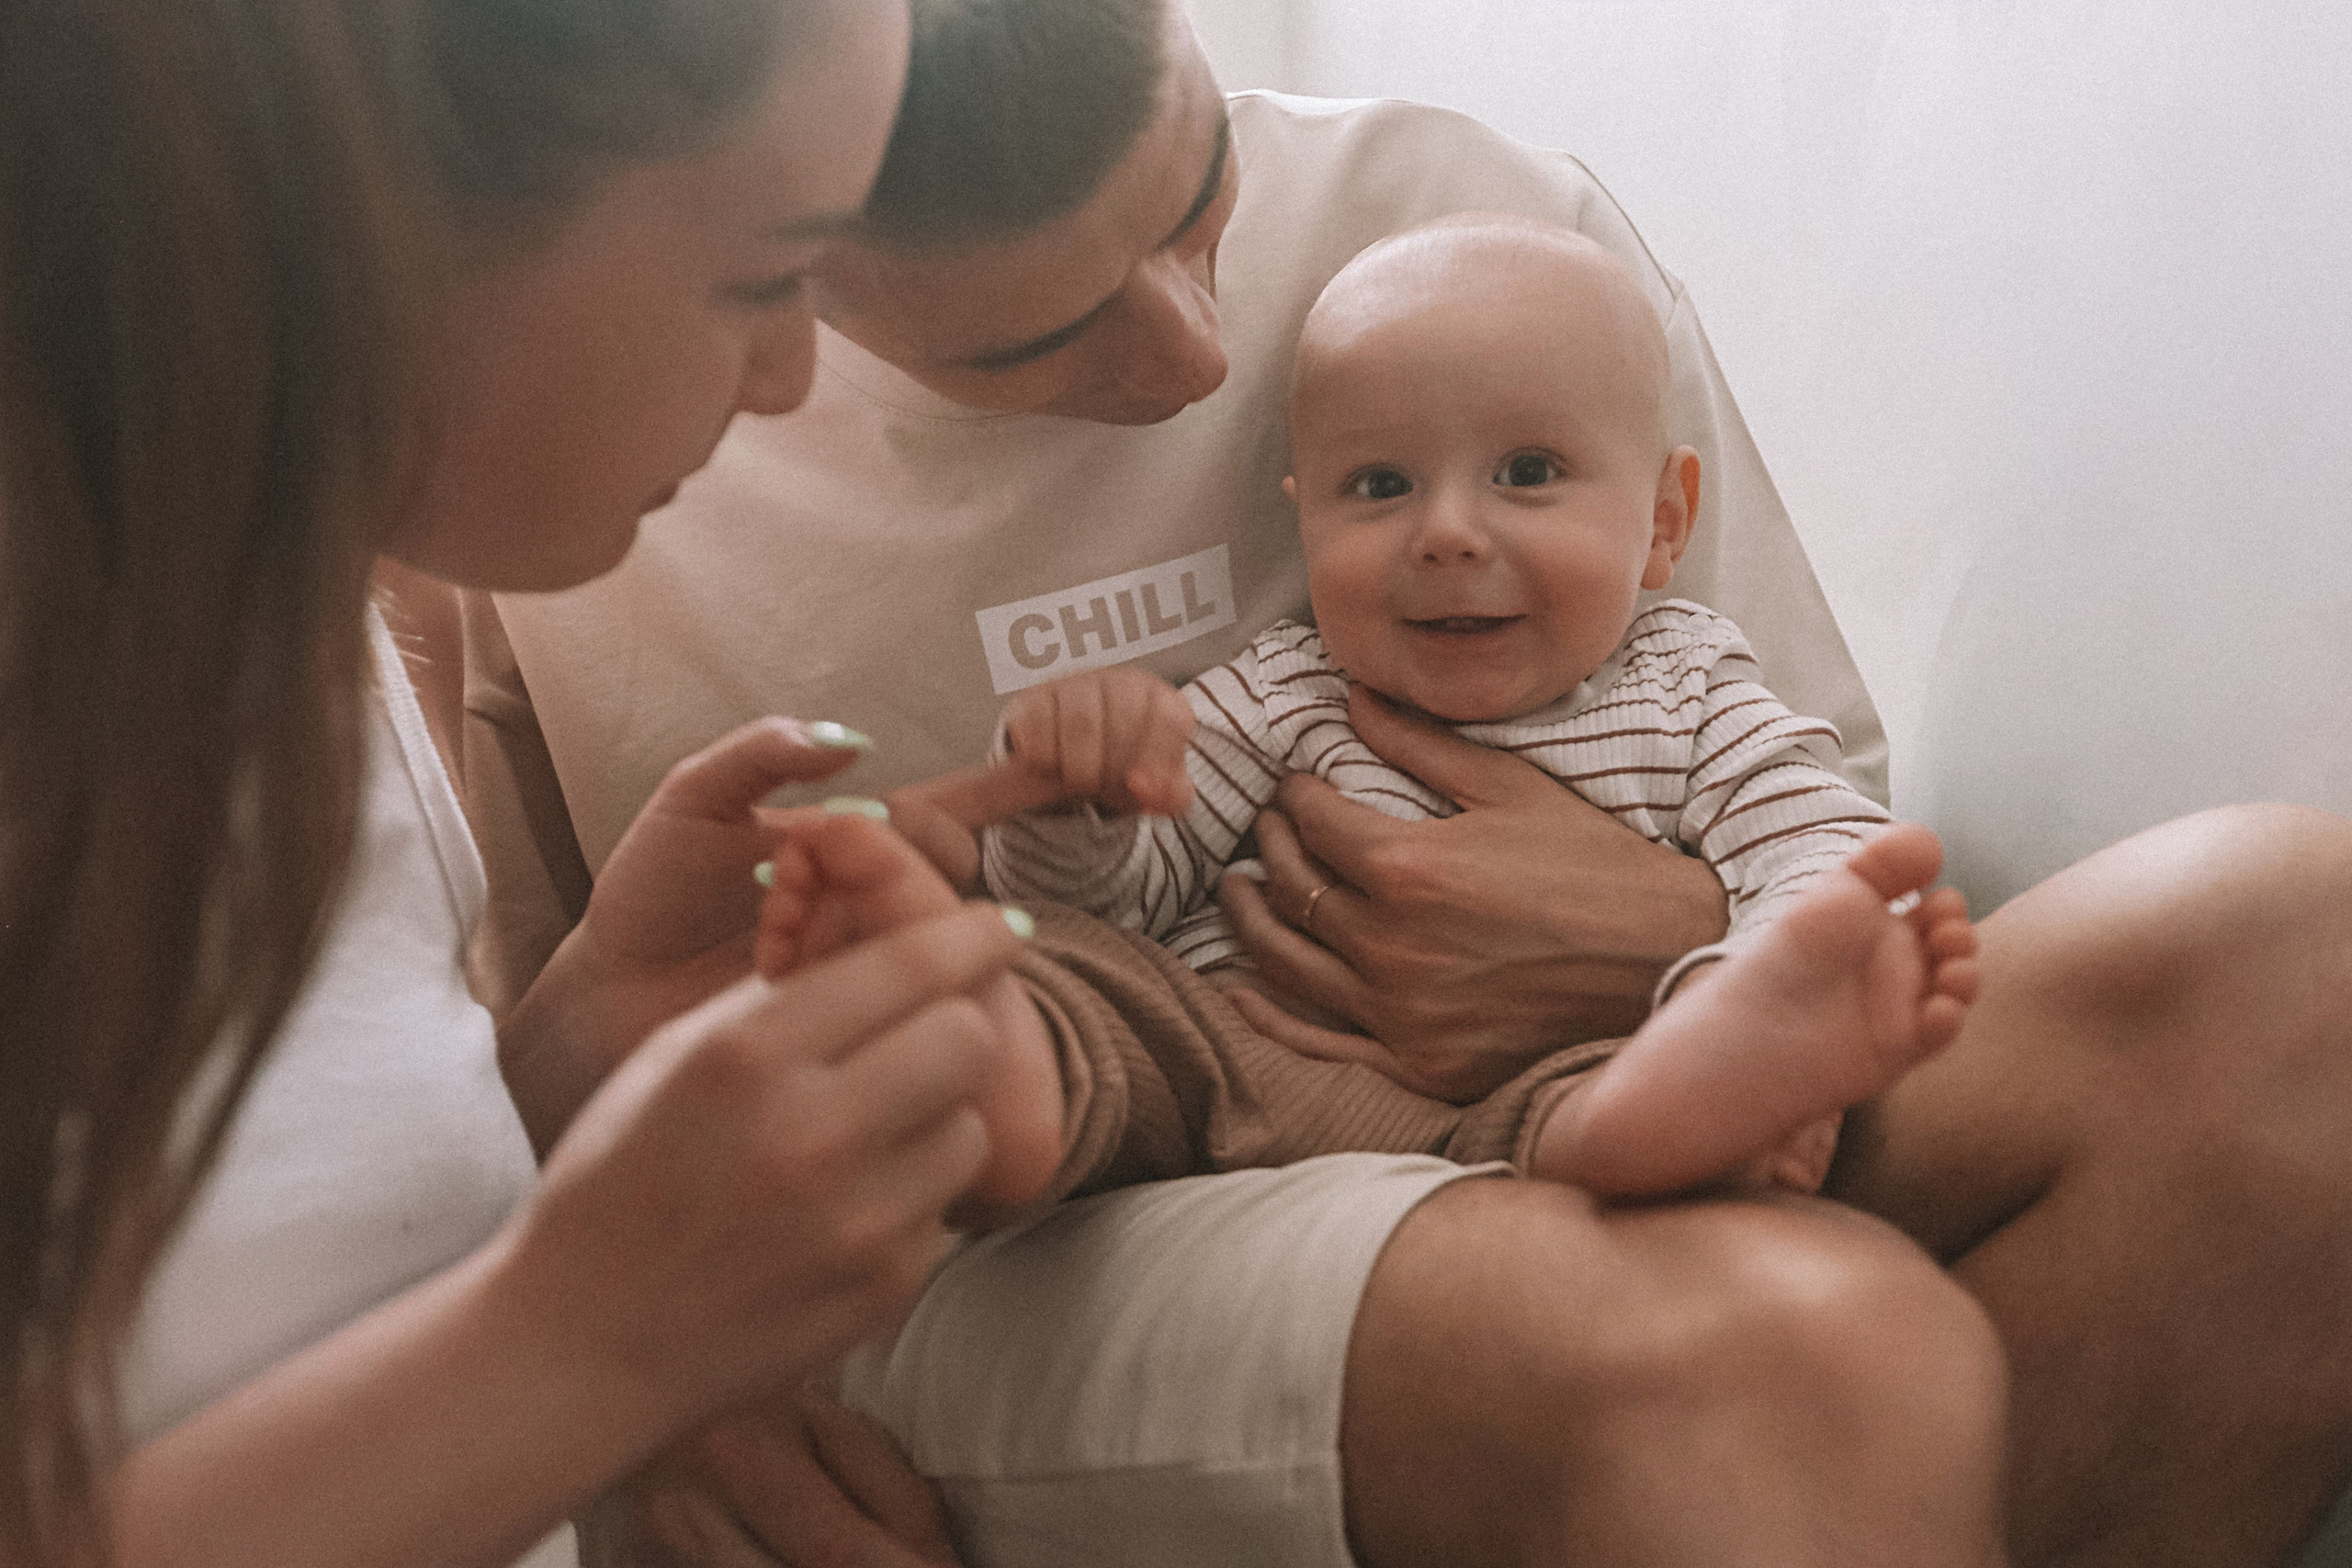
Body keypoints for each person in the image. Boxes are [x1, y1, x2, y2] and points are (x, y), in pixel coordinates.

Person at [464, 5, 2352, 1568]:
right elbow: (479, 1066)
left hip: (1607, 1071)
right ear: (786, 264)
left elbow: (1804, 793)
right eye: (1033, 341)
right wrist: (627, 1368)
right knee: (1765, 1341)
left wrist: (1675, 942)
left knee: (2304, 967)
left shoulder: (1467, 213)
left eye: (1195, 195)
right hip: (1041, 1180)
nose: (1199, 348)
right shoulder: (586, 451)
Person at [0, 3, 1061, 1566]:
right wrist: (596, 1338)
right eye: (768, 276)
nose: (786, 379)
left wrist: (568, 1070)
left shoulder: (292, 623)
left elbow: (230, 1281)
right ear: (392, 213)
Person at [872, 215, 1978, 1201]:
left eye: (1528, 470)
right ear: (1305, 526)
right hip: (1230, 1057)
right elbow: (1127, 900)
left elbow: (1821, 848)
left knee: (1602, 1089)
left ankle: (1680, 1116)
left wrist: (1731, 991)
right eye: (1381, 486)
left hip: (1500, 1109)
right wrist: (1084, 801)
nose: (1445, 532)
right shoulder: (1286, 688)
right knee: (1074, 979)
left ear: (1662, 522)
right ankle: (970, 1080)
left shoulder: (1688, 686)